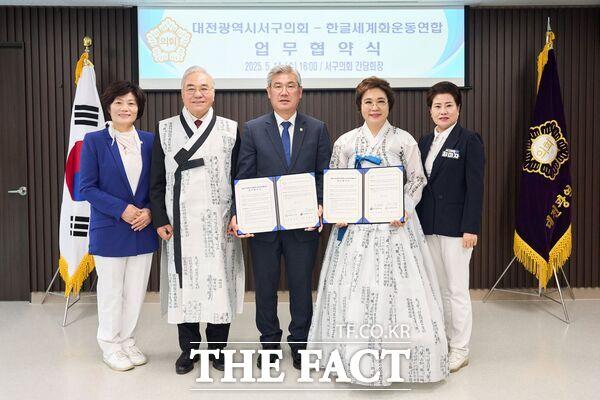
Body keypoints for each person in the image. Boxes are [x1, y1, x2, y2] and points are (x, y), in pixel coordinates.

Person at [308, 76, 448, 385]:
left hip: (394, 228)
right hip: (355, 231)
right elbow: (335, 181)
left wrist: (403, 208)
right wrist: (338, 211)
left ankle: (401, 361)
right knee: (354, 290)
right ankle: (354, 356)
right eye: (368, 102)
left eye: (381, 101)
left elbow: (417, 180)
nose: (375, 107)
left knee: (396, 290)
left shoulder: (403, 140)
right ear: (359, 106)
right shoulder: (345, 142)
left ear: (389, 106)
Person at [231, 65, 332, 370]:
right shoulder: (252, 129)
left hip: (303, 224)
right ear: (268, 92)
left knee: (302, 286)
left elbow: (323, 174)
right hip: (263, 226)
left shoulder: (317, 128)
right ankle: (269, 344)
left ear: (300, 92)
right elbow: (244, 175)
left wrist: (320, 204)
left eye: (290, 86)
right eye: (278, 86)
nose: (284, 91)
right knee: (265, 287)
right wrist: (239, 213)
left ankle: (300, 343)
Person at [149, 66, 244, 375]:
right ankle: (188, 350)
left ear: (213, 93)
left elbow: (239, 177)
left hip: (219, 225)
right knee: (185, 286)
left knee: (219, 285)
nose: (198, 93)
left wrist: (237, 213)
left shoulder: (230, 130)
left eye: (204, 88)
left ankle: (218, 350)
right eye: (191, 88)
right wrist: (160, 218)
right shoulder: (165, 130)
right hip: (180, 226)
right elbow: (155, 181)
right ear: (182, 93)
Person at [79, 80, 158, 371]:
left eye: (131, 103)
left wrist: (149, 211)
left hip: (142, 228)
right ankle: (110, 344)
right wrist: (121, 210)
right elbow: (86, 187)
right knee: (112, 291)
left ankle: (127, 340)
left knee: (135, 292)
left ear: (139, 109)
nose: (125, 108)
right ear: (109, 107)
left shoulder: (150, 141)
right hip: (111, 228)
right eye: (119, 103)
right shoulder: (94, 141)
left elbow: (158, 184)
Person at [416, 81, 485, 373]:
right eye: (437, 106)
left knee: (457, 290)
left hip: (457, 229)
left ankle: (461, 348)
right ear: (430, 111)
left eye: (448, 105)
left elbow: (475, 188)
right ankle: (444, 340)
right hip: (429, 225)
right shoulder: (423, 142)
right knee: (439, 288)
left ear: (458, 108)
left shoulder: (469, 140)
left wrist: (471, 227)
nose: (443, 111)